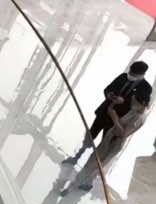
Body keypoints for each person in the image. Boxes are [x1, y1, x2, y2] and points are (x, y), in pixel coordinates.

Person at [61, 61, 152, 191]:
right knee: (90, 136)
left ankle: (89, 178)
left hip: (117, 120)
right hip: (105, 112)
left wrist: (123, 102)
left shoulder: (146, 88)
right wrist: (109, 95)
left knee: (103, 150)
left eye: (134, 73)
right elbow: (108, 88)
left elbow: (137, 107)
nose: (130, 75)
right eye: (130, 71)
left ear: (141, 74)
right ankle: (78, 156)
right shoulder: (123, 77)